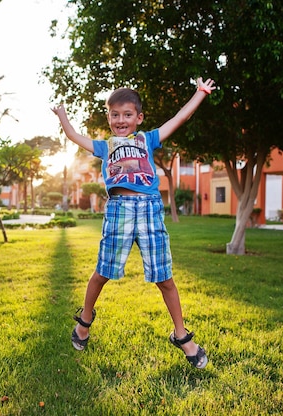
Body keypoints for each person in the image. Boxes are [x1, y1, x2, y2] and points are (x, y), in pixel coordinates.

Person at [51, 76, 216, 369]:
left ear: (139, 117)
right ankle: (84, 321)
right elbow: (75, 137)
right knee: (102, 271)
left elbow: (179, 117)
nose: (120, 119)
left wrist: (200, 93)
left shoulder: (148, 139)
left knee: (164, 277)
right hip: (119, 211)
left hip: (150, 210)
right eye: (115, 114)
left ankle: (182, 336)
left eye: (127, 114)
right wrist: (63, 116)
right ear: (109, 117)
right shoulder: (105, 145)